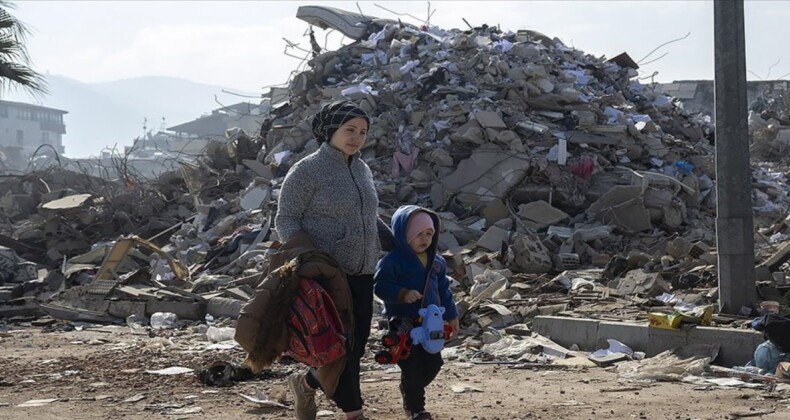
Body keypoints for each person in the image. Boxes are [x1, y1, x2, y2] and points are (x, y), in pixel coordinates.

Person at [275, 100, 392, 420]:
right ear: (330, 131)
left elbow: (368, 217)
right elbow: (286, 220)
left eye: (363, 132)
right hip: (327, 275)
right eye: (349, 130)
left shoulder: (362, 169)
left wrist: (395, 244)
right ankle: (354, 413)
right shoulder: (307, 170)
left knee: (354, 346)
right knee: (342, 347)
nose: (356, 137)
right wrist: (308, 259)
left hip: (364, 272)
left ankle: (306, 383)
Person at [374, 205, 459, 420]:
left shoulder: (437, 262)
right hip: (404, 323)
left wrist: (452, 315)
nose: (425, 239)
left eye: (429, 234)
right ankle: (417, 410)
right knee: (410, 365)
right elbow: (380, 286)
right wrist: (402, 294)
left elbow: (444, 291)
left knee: (433, 363)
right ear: (404, 235)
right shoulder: (393, 261)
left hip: (432, 323)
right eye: (418, 234)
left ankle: (409, 389)